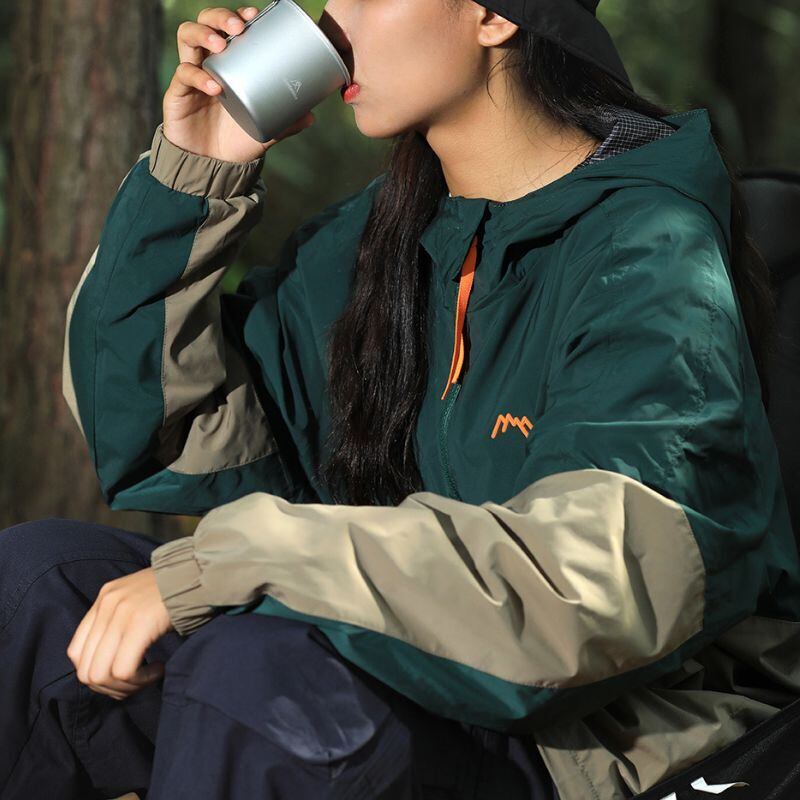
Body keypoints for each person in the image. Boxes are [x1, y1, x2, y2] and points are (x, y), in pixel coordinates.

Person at [2, 1, 800, 799]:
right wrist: (197, 169)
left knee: (263, 682)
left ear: (493, 18)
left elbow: (600, 585)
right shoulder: (385, 236)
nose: (331, 23)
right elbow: (165, 431)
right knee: (40, 586)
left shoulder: (650, 247)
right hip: (412, 675)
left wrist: (242, 562)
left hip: (604, 738)